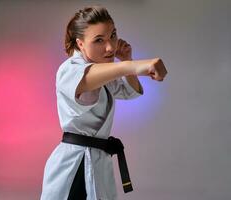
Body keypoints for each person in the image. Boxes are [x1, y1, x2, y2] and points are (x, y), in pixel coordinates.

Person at [40, 5, 167, 200]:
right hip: (76, 165)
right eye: (99, 40)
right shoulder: (70, 70)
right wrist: (132, 66)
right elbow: (89, 78)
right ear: (80, 44)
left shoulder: (102, 69)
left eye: (113, 36)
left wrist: (127, 59)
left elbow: (129, 92)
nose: (110, 47)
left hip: (98, 160)